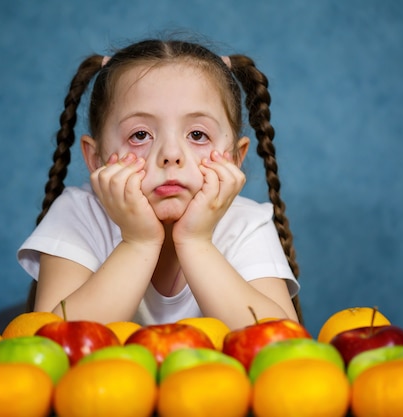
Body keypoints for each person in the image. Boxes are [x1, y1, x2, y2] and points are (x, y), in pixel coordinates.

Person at [17, 38, 303, 329]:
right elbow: (52, 339)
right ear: (97, 158)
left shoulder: (246, 223)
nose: (170, 155)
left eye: (197, 135)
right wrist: (138, 242)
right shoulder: (79, 214)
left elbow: (281, 343)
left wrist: (196, 242)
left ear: (234, 158)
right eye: (140, 135)